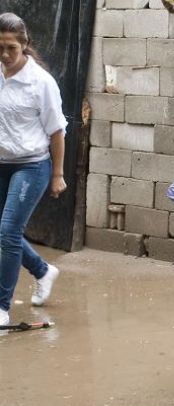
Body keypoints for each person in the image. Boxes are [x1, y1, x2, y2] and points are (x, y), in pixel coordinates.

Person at [0, 13, 67, 327]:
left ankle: (1, 308)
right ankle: (43, 270)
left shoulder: (41, 82)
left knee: (8, 232)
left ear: (24, 45)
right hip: (2, 162)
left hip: (32, 165)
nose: (4, 54)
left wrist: (58, 174)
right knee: (4, 233)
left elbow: (57, 131)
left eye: (11, 48)